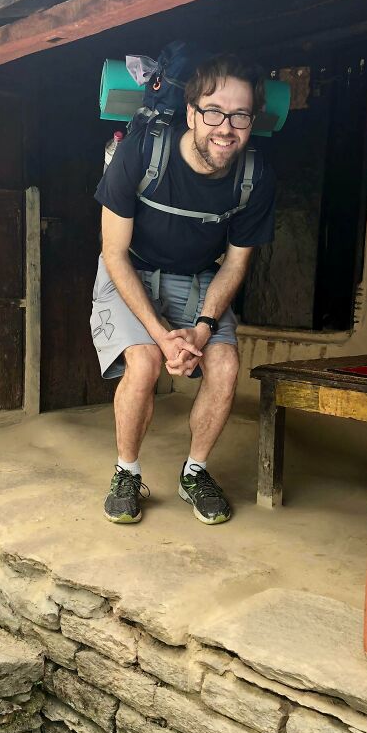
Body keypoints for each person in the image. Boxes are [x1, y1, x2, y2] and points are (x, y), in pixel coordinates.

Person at [90, 53, 276, 525]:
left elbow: (236, 264)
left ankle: (195, 473)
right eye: (214, 112)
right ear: (191, 112)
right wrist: (159, 333)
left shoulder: (255, 176)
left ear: (253, 120)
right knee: (147, 362)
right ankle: (127, 472)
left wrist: (202, 328)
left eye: (241, 115)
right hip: (130, 272)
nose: (226, 127)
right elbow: (114, 253)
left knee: (226, 363)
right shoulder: (141, 152)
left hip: (199, 279)